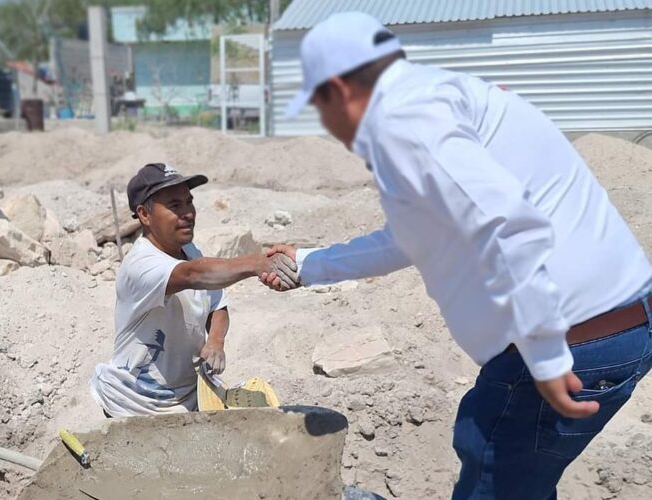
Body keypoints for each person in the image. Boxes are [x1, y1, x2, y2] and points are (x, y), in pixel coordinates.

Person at [261, 12, 652, 499]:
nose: (326, 127)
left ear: (338, 90)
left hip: (572, 346)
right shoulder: (436, 98)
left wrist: (547, 356)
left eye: (319, 107)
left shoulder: (401, 121)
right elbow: (413, 237)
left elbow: (506, 222)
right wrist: (310, 263)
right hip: (618, 331)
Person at [91, 162, 297, 417]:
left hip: (187, 401)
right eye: (175, 206)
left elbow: (217, 305)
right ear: (144, 215)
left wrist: (216, 341)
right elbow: (193, 275)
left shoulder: (190, 252)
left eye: (189, 202)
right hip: (134, 405)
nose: (188, 212)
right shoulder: (140, 265)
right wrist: (256, 263)